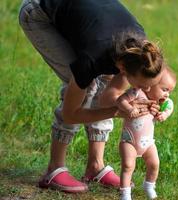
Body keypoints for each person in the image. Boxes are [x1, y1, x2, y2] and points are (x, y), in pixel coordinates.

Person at [19, 0, 166, 193]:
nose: (143, 91)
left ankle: (95, 166)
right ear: (123, 69)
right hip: (39, 12)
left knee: (103, 78)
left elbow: (109, 95)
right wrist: (115, 111)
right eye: (140, 86)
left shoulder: (140, 52)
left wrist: (145, 104)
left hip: (86, 18)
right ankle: (53, 169)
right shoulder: (94, 57)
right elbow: (71, 114)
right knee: (87, 85)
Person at [115, 68, 176, 200]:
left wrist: (164, 114)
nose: (167, 95)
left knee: (154, 164)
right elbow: (120, 100)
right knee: (128, 165)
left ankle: (149, 185)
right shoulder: (137, 93)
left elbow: (171, 105)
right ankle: (125, 193)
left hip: (148, 142)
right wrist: (129, 108)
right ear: (151, 83)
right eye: (164, 89)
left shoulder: (161, 102)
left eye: (170, 91)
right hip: (129, 140)